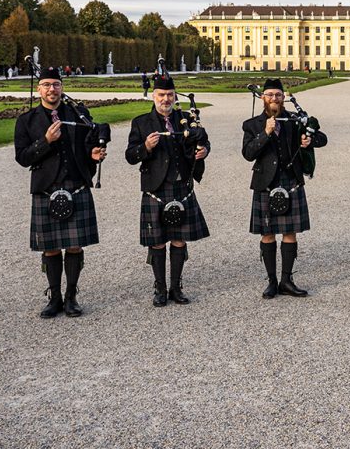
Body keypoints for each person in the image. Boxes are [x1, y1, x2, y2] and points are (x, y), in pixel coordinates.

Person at [14, 67, 107, 318]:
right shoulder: (27, 120)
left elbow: (89, 144)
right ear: (39, 89)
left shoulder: (78, 114)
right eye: (46, 84)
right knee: (51, 248)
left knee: (75, 245)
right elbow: (22, 158)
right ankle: (54, 297)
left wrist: (93, 155)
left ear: (62, 87)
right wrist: (45, 141)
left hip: (75, 184)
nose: (51, 89)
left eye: (56, 84)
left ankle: (71, 297)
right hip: (47, 189)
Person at [125, 73, 211, 307]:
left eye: (170, 95)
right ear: (153, 96)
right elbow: (130, 156)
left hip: (182, 185)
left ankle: (176, 287)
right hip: (156, 188)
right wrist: (145, 147)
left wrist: (203, 151)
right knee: (158, 242)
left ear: (174, 97)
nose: (166, 99)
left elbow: (203, 140)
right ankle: (160, 288)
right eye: (162, 95)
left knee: (180, 240)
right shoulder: (141, 123)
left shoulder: (186, 118)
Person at [242, 79, 327, 298]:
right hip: (265, 183)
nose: (274, 99)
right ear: (263, 97)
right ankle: (271, 281)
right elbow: (248, 153)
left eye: (278, 95)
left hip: (291, 181)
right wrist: (265, 133)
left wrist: (309, 141)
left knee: (290, 233)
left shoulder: (295, 119)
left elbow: (322, 139)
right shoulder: (252, 124)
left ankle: (287, 280)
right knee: (267, 234)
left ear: (283, 97)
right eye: (270, 95)